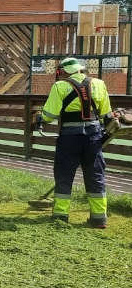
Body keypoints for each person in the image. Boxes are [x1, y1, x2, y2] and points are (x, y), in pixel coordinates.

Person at [34, 57, 112, 228]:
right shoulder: (99, 83)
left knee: (64, 174)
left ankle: (60, 216)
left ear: (63, 71)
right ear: (80, 69)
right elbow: (107, 113)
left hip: (70, 136)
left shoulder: (60, 86)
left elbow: (50, 115)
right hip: (94, 136)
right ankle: (99, 218)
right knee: (95, 175)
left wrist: (39, 117)